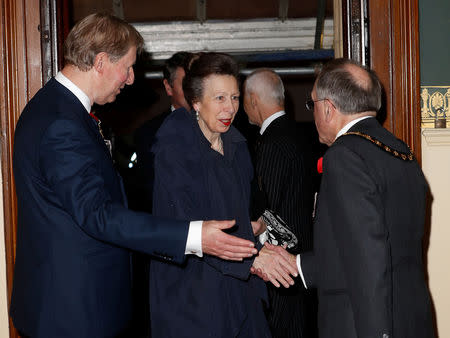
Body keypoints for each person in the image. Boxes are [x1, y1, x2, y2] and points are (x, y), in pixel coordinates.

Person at [10, 14, 259, 338]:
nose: (129, 79)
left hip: (68, 303)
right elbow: (98, 214)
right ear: (100, 62)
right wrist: (195, 237)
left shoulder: (57, 109)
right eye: (126, 67)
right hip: (72, 312)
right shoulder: (63, 123)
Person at [258, 58, 435, 338]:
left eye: (312, 104)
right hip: (410, 317)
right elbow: (369, 250)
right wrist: (299, 265)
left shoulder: (344, 156)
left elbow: (369, 259)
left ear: (328, 108)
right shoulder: (399, 150)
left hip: (364, 324)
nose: (313, 112)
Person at [149, 52, 297, 338]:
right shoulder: (174, 149)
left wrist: (256, 236)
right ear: (195, 102)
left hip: (240, 294)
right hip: (194, 298)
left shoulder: (237, 146)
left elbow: (240, 213)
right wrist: (251, 257)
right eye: (219, 98)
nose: (229, 108)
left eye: (234, 98)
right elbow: (187, 225)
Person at [243, 68, 317, 338]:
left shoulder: (272, 142)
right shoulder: (303, 135)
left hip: (281, 268)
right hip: (305, 262)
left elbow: (268, 211)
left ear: (252, 100)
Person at [134, 51, 193, 212]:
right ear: (168, 87)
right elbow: (148, 190)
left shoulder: (221, 127)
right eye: (186, 85)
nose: (193, 91)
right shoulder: (148, 133)